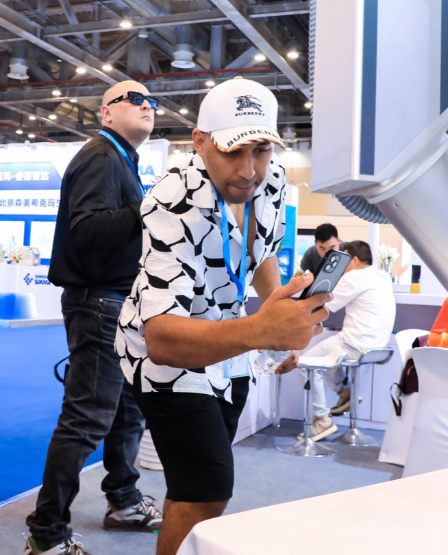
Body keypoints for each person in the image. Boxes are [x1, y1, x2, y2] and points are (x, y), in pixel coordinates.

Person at [115, 77, 330, 555]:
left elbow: (262, 254)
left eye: (261, 151)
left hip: (230, 349)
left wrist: (279, 320)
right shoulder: (171, 199)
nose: (249, 170)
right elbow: (163, 339)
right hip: (167, 355)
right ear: (200, 142)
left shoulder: (273, 181)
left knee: (194, 486)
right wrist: (261, 329)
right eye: (233, 151)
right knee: (208, 488)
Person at [25, 81, 164, 555]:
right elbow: (86, 231)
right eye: (135, 99)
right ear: (106, 112)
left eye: (152, 101)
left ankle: (124, 501)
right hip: (101, 303)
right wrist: (149, 207)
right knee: (87, 418)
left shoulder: (121, 159)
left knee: (127, 411)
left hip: (119, 303)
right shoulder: (102, 156)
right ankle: (47, 534)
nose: (147, 106)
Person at [297, 240, 397, 440]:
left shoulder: (354, 276)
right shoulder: (383, 276)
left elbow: (325, 303)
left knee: (304, 363)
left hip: (355, 344)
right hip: (378, 347)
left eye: (345, 261)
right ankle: (346, 393)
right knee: (329, 354)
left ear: (355, 260)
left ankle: (322, 420)